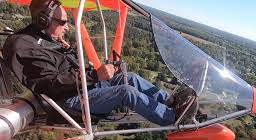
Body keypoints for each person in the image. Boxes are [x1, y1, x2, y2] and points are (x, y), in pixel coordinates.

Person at [2, 0, 198, 126]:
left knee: (129, 79)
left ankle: (169, 102)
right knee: (125, 91)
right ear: (44, 21)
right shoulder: (24, 46)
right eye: (62, 23)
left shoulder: (44, 39)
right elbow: (50, 85)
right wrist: (94, 75)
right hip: (70, 100)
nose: (67, 27)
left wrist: (67, 51)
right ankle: (171, 117)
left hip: (82, 88)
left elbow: (62, 67)